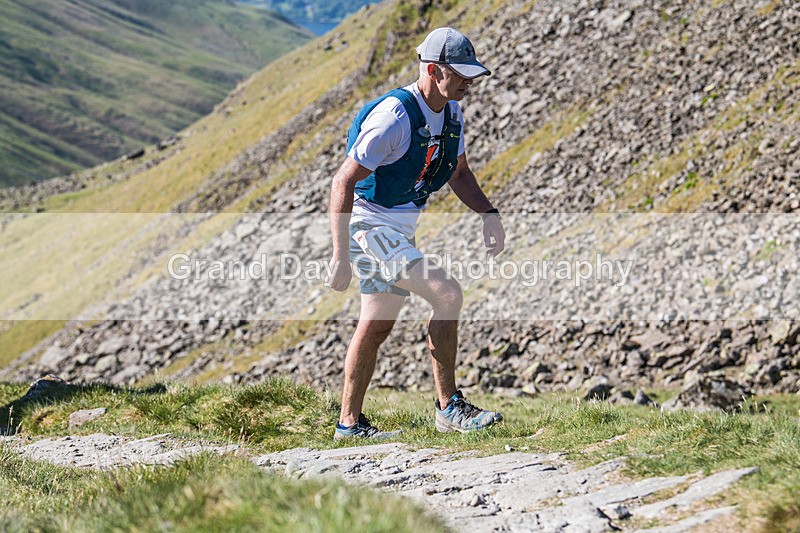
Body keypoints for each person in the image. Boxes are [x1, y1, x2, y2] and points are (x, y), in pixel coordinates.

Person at [326, 27, 506, 439]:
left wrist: (488, 213)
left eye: (470, 73)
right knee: (446, 292)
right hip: (368, 226)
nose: (469, 81)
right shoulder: (393, 117)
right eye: (460, 73)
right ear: (432, 69)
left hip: (399, 229)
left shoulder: (453, 112)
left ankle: (348, 425)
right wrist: (340, 255)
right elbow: (342, 181)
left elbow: (458, 173)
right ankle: (449, 408)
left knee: (376, 325)